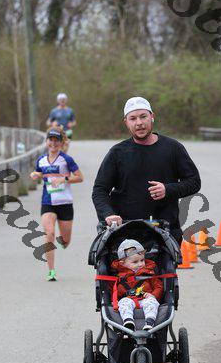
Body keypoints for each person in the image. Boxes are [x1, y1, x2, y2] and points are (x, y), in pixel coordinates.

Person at [92, 96, 201, 245]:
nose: (139, 123)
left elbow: (194, 182)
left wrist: (168, 189)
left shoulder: (173, 148)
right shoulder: (117, 153)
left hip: (164, 231)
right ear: (126, 122)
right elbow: (100, 190)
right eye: (133, 118)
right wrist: (108, 214)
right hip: (125, 232)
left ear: (152, 116)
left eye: (143, 116)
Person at [30, 128, 83, 281]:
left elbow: (80, 177)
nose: (53, 143)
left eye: (56, 140)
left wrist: (63, 179)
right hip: (47, 202)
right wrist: (35, 174)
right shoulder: (41, 159)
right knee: (49, 234)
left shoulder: (66, 159)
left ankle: (65, 241)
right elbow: (38, 172)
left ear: (61, 142)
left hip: (65, 203)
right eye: (51, 140)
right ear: (46, 141)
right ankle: (51, 271)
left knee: (65, 240)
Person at [111, 239, 163, 331]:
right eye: (135, 262)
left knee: (151, 302)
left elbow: (158, 286)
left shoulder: (148, 272)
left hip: (145, 299)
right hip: (128, 299)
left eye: (142, 260)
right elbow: (115, 291)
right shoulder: (120, 276)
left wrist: (153, 295)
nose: (140, 264)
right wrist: (113, 300)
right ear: (123, 263)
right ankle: (128, 321)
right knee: (123, 303)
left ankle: (149, 322)